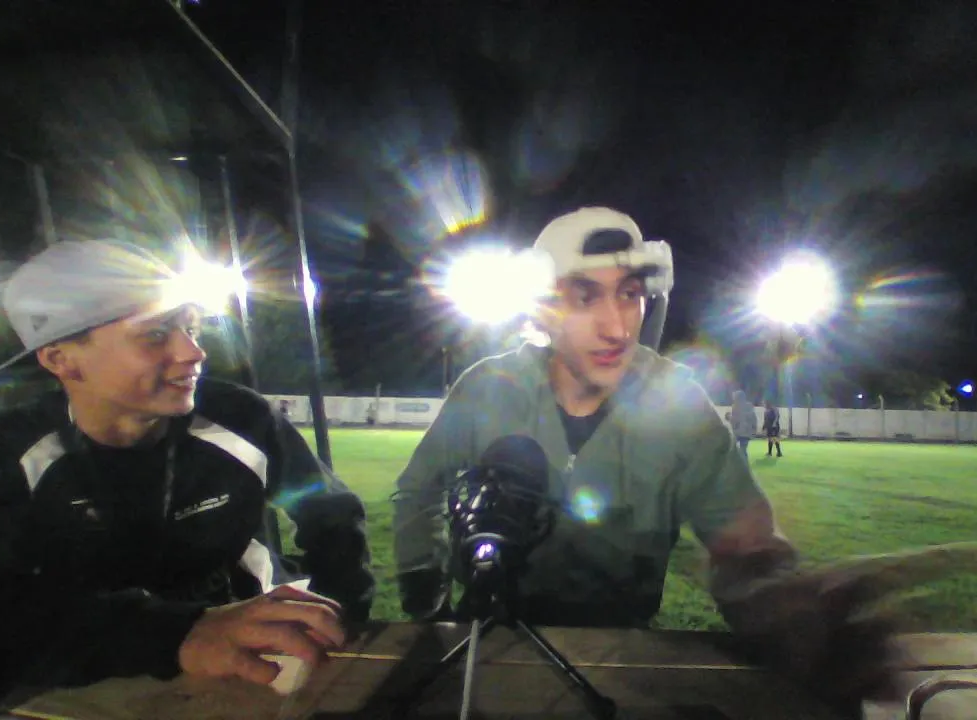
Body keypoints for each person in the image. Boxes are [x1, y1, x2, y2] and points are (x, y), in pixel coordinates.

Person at [392, 207, 920, 703]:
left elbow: (743, 541)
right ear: (543, 310)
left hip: (620, 658)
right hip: (487, 647)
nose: (618, 327)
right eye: (585, 297)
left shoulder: (677, 401)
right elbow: (418, 491)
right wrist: (428, 604)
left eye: (629, 294)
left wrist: (789, 610)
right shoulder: (487, 387)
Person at [0, 240, 375, 715]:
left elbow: (331, 516)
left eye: (191, 328)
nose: (194, 352)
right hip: (91, 676)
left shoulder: (241, 417)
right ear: (60, 359)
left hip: (252, 660)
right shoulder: (1, 454)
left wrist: (337, 611)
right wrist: (177, 632)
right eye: (155, 334)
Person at [730, 390, 758, 459]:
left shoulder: (747, 406)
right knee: (739, 450)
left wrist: (754, 430)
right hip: (740, 432)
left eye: (735, 397)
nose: (734, 399)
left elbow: (753, 419)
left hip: (743, 432)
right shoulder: (735, 406)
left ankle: (743, 463)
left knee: (742, 450)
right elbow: (734, 419)